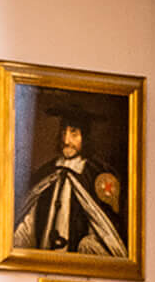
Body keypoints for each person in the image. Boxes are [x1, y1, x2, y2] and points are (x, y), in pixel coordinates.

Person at [11, 101, 128, 257]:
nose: (66, 140)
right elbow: (27, 227)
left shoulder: (97, 176)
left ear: (84, 137)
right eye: (63, 132)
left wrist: (88, 246)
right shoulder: (46, 173)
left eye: (73, 133)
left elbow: (106, 232)